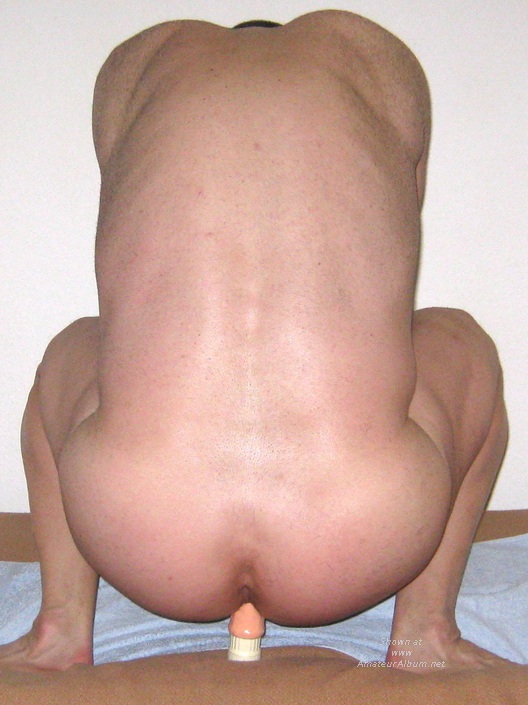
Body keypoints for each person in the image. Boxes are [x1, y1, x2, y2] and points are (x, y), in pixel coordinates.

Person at [0, 10, 510, 672]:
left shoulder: (140, 62)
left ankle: (59, 630)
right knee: (457, 337)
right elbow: (396, 232)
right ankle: (426, 634)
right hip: (362, 527)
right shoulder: (373, 54)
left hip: (135, 525)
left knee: (77, 342)